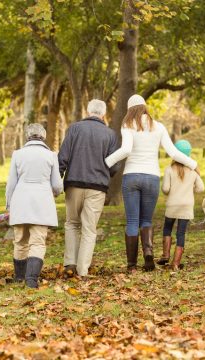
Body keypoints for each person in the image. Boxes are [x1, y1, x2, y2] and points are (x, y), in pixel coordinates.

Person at [105, 94, 199, 272]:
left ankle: (132, 265)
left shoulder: (128, 124)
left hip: (131, 176)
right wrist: (193, 164)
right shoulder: (159, 127)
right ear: (145, 107)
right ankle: (148, 253)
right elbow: (173, 152)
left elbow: (125, 150)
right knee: (146, 220)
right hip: (152, 178)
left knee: (132, 221)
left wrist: (106, 162)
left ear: (130, 109)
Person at [58, 99, 120, 278]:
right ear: (103, 114)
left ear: (87, 111)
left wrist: (56, 180)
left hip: (73, 183)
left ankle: (70, 263)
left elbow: (63, 157)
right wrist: (105, 173)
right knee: (89, 228)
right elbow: (115, 165)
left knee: (71, 223)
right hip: (97, 186)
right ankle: (82, 270)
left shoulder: (74, 129)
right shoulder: (110, 134)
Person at [6, 123, 63, 289]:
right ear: (43, 136)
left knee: (20, 241)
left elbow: (11, 184)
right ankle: (31, 280)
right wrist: (54, 193)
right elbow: (57, 185)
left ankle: (19, 277)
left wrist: (9, 204)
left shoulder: (17, 154)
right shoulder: (51, 155)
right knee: (37, 242)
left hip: (20, 202)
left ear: (27, 136)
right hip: (42, 202)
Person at [158, 140, 205, 270]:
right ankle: (176, 263)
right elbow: (201, 188)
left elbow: (166, 189)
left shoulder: (169, 169)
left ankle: (165, 255)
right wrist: (190, 190)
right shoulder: (193, 171)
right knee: (181, 234)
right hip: (186, 206)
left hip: (172, 205)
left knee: (167, 228)